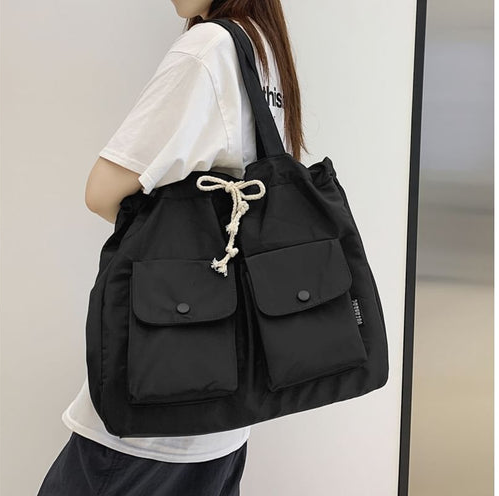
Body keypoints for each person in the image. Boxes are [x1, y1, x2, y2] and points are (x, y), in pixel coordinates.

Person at [37, 0, 307, 494]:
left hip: (151, 417)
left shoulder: (209, 47)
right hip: (226, 419)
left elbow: (101, 192)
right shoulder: (265, 49)